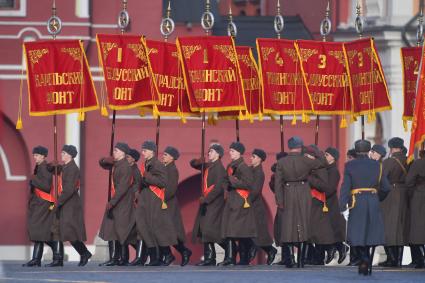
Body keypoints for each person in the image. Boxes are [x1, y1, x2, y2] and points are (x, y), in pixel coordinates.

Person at [339, 140, 391, 276]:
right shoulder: (377, 165)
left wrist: (342, 204)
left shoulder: (350, 165)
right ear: (369, 150)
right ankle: (367, 257)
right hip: (373, 200)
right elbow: (386, 187)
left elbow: (345, 186)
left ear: (356, 151)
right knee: (371, 231)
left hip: (357, 201)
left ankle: (364, 257)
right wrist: (377, 197)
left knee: (357, 232)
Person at [274, 137, 323, 268]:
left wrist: (279, 200)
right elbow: (321, 162)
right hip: (303, 192)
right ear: (300, 146)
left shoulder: (282, 162)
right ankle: (301, 260)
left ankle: (290, 259)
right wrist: (312, 150)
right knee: (303, 224)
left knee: (288, 226)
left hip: (288, 192)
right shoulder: (306, 160)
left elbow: (277, 183)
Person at [50, 145, 92, 267]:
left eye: (63, 153)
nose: (61, 155)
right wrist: (52, 166)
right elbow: (52, 171)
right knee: (57, 230)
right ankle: (58, 259)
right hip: (64, 203)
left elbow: (69, 190)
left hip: (70, 203)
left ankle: (84, 253)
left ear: (70, 155)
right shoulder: (65, 167)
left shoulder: (73, 169)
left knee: (70, 232)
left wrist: (58, 203)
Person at [138, 141, 178, 266]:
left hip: (154, 200)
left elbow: (162, 182)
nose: (142, 152)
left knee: (155, 229)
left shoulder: (157, 164)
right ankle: (155, 257)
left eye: (145, 150)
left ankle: (166, 254)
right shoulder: (147, 163)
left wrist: (147, 177)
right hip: (145, 199)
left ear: (151, 151)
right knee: (145, 228)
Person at [220, 142, 257, 266]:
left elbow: (248, 183)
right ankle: (234, 258)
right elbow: (225, 180)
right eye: (230, 151)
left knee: (237, 231)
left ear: (239, 153)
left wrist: (232, 180)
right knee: (231, 230)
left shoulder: (243, 167)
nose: (230, 153)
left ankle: (239, 257)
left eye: (233, 151)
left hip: (241, 201)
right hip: (232, 200)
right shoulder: (230, 166)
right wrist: (226, 184)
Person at [99, 142, 134, 266]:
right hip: (116, 202)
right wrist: (104, 160)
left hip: (122, 202)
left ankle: (122, 258)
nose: (114, 152)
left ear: (124, 153)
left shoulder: (125, 167)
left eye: (117, 151)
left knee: (121, 230)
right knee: (111, 229)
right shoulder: (117, 164)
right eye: (114, 150)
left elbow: (123, 188)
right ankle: (114, 257)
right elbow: (103, 164)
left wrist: (112, 202)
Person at [191, 144, 226, 266]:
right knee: (205, 230)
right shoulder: (209, 166)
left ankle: (212, 257)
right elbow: (193, 165)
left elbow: (218, 188)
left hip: (214, 203)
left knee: (209, 230)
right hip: (207, 203)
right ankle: (210, 258)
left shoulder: (220, 169)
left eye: (211, 151)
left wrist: (206, 199)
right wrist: (197, 162)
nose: (209, 153)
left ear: (218, 154)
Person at [22, 146, 54, 267]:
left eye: (36, 155)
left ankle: (54, 253)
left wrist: (33, 178)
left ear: (43, 156)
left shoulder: (44, 168)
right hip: (38, 204)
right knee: (38, 232)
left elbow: (46, 186)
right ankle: (37, 259)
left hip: (43, 204)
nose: (34, 157)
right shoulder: (40, 167)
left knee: (38, 231)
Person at [379, 138, 408, 268]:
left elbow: (382, 179)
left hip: (391, 194)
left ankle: (392, 259)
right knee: (400, 228)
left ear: (391, 148)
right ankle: (399, 260)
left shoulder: (389, 161)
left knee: (388, 226)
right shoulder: (409, 160)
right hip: (405, 194)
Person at [304, 146, 335, 266]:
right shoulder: (308, 167)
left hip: (317, 200)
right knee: (311, 231)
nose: (306, 158)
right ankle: (314, 257)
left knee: (318, 232)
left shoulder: (320, 168)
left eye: (308, 156)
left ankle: (324, 252)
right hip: (308, 200)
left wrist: (309, 178)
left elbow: (324, 186)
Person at [162, 146, 192, 266]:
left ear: (172, 157)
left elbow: (171, 189)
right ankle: (174, 253)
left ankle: (182, 251)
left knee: (168, 232)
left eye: (165, 154)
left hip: (167, 204)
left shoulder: (172, 170)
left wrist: (159, 198)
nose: (163, 156)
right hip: (162, 204)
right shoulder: (164, 168)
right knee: (162, 231)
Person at [248, 148, 277, 265]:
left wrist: (245, 200)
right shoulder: (251, 170)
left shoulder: (259, 173)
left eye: (253, 156)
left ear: (259, 159)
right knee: (255, 232)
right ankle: (270, 250)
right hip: (250, 205)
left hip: (255, 206)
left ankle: (263, 250)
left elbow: (255, 191)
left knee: (257, 232)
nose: (251, 158)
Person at [323, 147, 347, 265]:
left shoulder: (333, 171)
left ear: (333, 157)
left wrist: (320, 192)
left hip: (330, 202)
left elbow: (331, 188)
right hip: (323, 202)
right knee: (324, 229)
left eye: (327, 154)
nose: (325, 156)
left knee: (331, 228)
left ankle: (338, 247)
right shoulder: (324, 169)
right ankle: (332, 248)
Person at [405, 150, 425, 268]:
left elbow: (409, 181)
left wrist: (411, 193)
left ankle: (420, 259)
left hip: (420, 195)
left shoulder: (418, 163)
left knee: (417, 228)